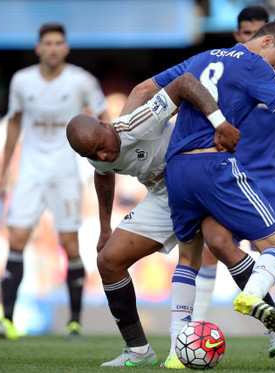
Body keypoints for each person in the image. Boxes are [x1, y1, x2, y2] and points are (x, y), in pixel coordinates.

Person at [122, 16, 275, 367]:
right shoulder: (256, 67)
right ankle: (253, 295)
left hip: (177, 170)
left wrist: (124, 132)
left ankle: (179, 349)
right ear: (266, 41)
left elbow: (144, 89)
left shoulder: (203, 57)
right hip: (214, 167)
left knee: (195, 255)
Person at [66, 72, 240, 367]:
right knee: (108, 262)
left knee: (222, 249)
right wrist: (105, 227)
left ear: (106, 125)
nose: (103, 154)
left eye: (102, 145)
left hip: (195, 182)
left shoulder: (139, 121)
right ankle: (138, 350)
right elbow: (102, 174)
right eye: (92, 153)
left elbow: (184, 83)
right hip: (162, 197)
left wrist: (219, 123)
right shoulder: (93, 152)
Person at [192, 6, 275, 355]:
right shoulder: (224, 69)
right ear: (238, 36)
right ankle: (194, 329)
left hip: (271, 174)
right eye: (246, 33)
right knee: (211, 248)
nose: (251, 39)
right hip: (229, 170)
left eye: (257, 34)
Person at [0, 23, 109, 340]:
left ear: (66, 48)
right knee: (16, 240)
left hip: (65, 174)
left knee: (69, 245)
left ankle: (75, 322)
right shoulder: (22, 81)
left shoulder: (81, 80)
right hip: (31, 173)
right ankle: (7, 320)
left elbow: (105, 116)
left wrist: (106, 156)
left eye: (58, 43)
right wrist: (3, 170)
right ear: (39, 48)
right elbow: (13, 123)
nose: (53, 48)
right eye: (47, 43)